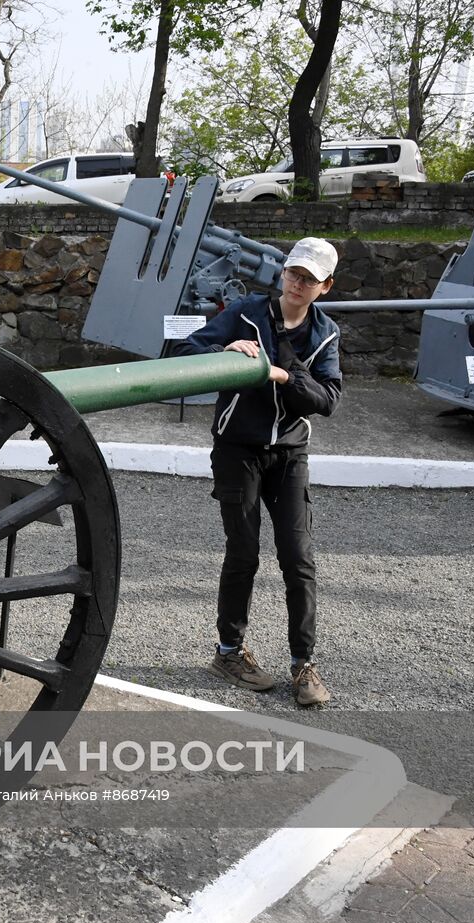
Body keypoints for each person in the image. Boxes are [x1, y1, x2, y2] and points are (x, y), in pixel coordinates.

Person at [171, 237, 343, 707]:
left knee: (299, 558)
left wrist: (284, 375)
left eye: (309, 279)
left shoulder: (325, 334)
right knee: (243, 552)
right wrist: (225, 349)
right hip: (237, 450)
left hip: (289, 454)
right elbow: (183, 355)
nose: (297, 283)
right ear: (282, 273)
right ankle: (229, 652)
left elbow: (327, 400)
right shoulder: (245, 312)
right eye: (293, 273)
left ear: (325, 287)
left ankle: (303, 664)